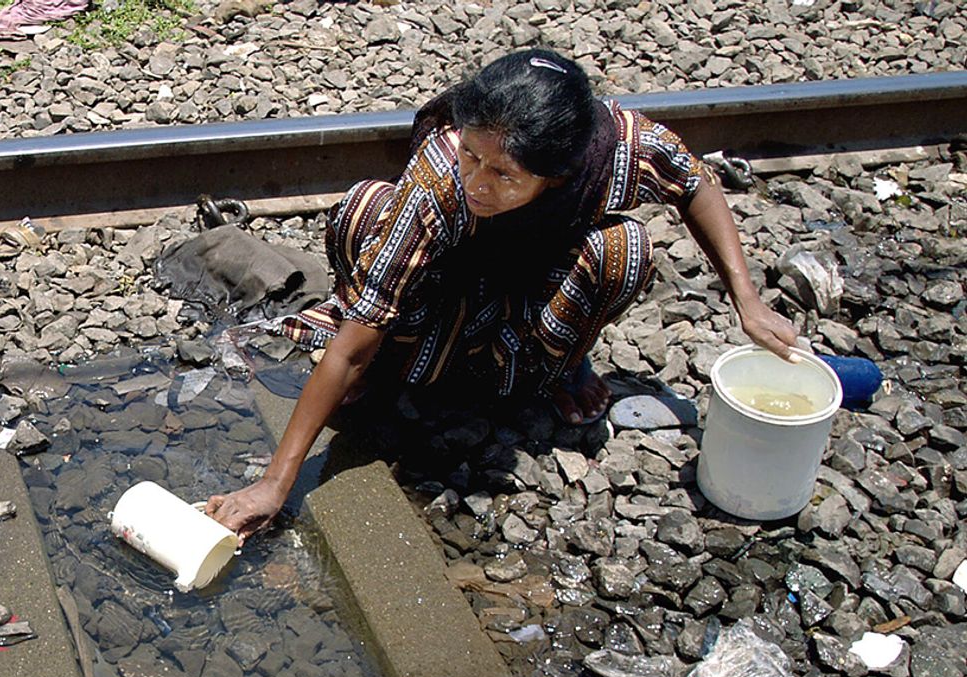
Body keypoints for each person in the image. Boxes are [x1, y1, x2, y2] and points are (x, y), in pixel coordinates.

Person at [206, 48, 799, 540]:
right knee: (365, 207)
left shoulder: (621, 148)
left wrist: (744, 296)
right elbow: (351, 345)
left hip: (524, 313)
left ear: (557, 176)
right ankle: (402, 370)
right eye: (471, 155)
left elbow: (694, 183)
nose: (476, 183)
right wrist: (275, 484)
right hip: (438, 304)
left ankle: (550, 371)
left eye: (504, 175)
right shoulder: (442, 178)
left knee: (627, 249)